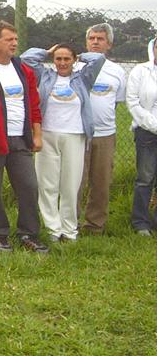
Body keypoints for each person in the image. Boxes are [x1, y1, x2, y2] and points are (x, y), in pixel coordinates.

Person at [0, 21, 49, 253]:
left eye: (15, 39)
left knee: (29, 187)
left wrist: (37, 134)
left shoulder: (24, 70)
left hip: (20, 140)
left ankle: (29, 234)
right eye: (9, 40)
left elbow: (34, 104)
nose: (14, 43)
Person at [21, 44, 105, 242]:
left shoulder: (83, 78)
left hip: (75, 136)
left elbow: (99, 59)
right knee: (47, 184)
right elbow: (26, 58)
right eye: (58, 59)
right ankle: (53, 229)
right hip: (47, 135)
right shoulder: (45, 76)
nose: (62, 63)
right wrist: (48, 52)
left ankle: (69, 230)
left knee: (70, 184)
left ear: (74, 60)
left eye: (67, 59)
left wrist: (80, 54)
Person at [76, 23, 127, 234]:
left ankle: (95, 225)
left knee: (101, 182)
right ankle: (71, 224)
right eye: (92, 38)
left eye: (100, 39)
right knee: (75, 181)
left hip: (105, 134)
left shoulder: (117, 72)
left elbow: (116, 101)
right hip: (78, 133)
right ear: (86, 42)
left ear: (109, 44)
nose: (95, 42)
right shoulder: (75, 67)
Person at [125, 36, 157, 236]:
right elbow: (132, 101)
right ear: (152, 48)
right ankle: (141, 222)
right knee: (145, 178)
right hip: (146, 132)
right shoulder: (140, 71)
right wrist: (154, 125)